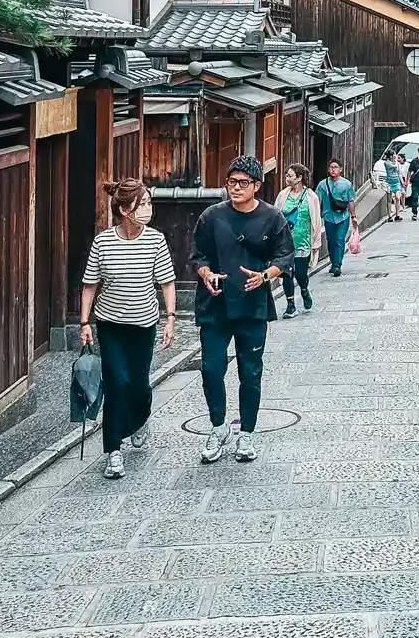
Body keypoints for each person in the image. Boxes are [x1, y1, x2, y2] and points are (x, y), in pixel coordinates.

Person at [191, 155, 295, 464]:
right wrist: (206, 274)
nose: (235, 188)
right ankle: (218, 427)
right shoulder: (212, 216)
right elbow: (198, 256)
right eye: (231, 182)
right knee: (211, 369)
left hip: (252, 305)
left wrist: (264, 276)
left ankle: (246, 433)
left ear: (257, 186)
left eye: (243, 183)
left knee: (250, 372)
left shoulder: (272, 217)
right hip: (215, 304)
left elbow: (285, 257)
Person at [80, 179, 177, 480]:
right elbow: (90, 284)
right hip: (110, 324)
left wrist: (170, 317)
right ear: (124, 209)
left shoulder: (155, 240)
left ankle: (141, 417)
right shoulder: (103, 242)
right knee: (116, 383)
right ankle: (113, 451)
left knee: (138, 383)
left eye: (149, 202)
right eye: (142, 203)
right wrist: (85, 322)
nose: (148, 208)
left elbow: (166, 282)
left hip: (143, 323)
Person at [277, 162, 323, 317]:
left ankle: (304, 290)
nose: (287, 178)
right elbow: (275, 217)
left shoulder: (311, 197)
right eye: (287, 175)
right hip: (285, 243)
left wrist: (316, 241)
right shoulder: (283, 195)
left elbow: (316, 221)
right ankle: (290, 305)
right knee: (286, 273)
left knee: (301, 274)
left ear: (299, 178)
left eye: (290, 175)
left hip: (303, 242)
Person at [317, 158, 357, 276]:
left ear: (340, 169)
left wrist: (353, 216)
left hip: (343, 216)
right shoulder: (322, 184)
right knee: (331, 240)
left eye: (335, 167)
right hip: (328, 216)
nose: (333, 170)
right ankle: (333, 261)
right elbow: (317, 200)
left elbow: (351, 200)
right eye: (331, 167)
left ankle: (337, 265)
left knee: (339, 240)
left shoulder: (347, 184)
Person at [383, 148, 403, 222]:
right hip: (389, 182)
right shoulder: (386, 163)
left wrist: (402, 182)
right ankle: (390, 216)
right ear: (391, 156)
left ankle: (397, 214)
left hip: (396, 182)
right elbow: (394, 166)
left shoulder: (396, 162)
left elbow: (399, 172)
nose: (395, 155)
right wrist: (396, 162)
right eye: (394, 154)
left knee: (398, 197)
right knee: (389, 200)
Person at [395, 151, 410, 217]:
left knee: (404, 193)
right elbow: (399, 174)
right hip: (400, 180)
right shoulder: (398, 165)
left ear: (403, 158)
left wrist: (407, 181)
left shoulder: (407, 164)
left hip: (405, 179)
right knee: (401, 193)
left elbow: (409, 173)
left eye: (399, 158)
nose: (398, 159)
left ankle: (403, 206)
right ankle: (402, 206)